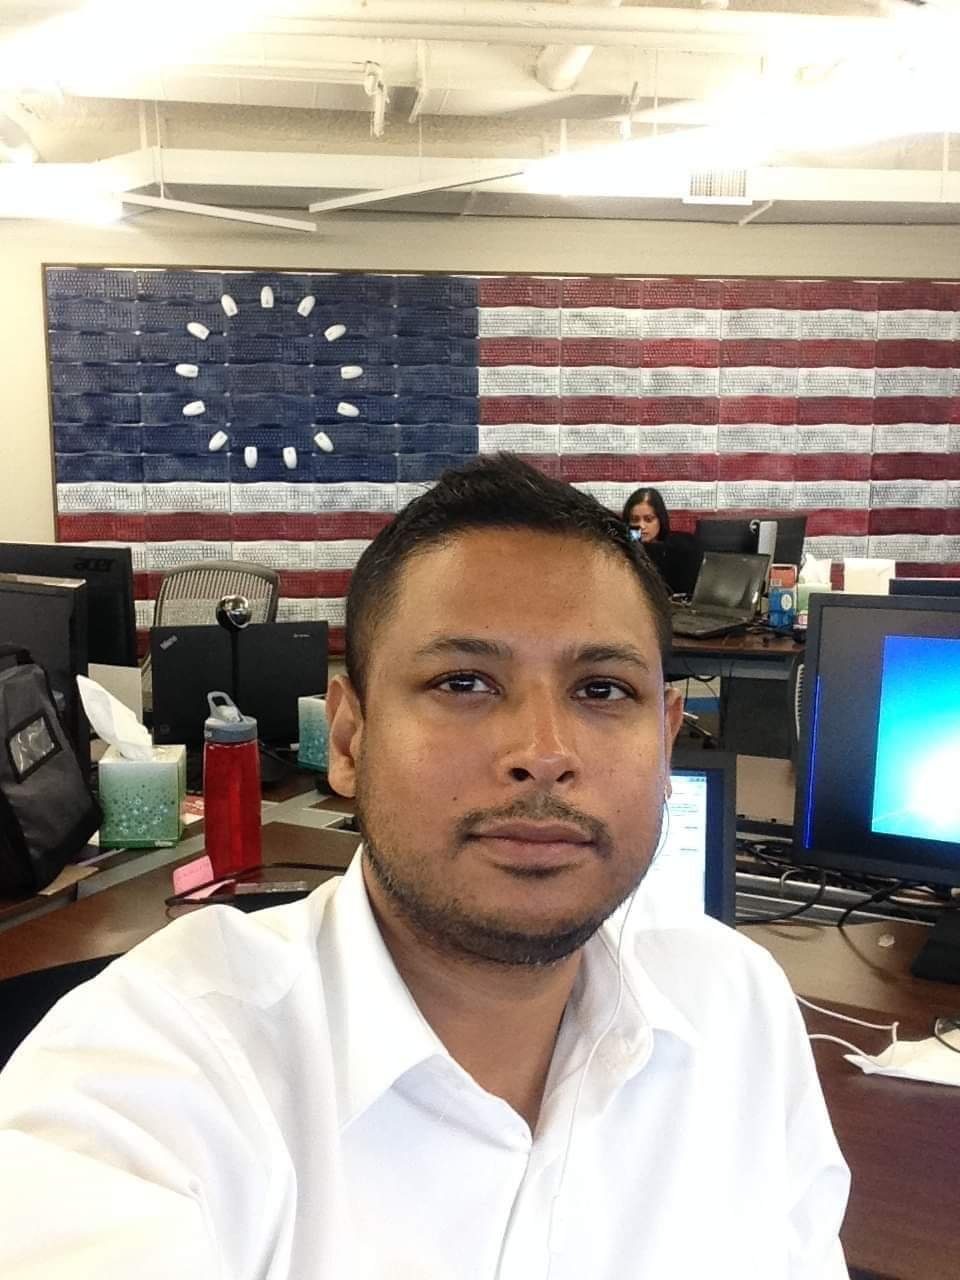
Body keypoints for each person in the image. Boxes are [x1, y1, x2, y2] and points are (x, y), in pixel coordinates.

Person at [0, 455, 849, 1279]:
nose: (543, 753)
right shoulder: (151, 1079)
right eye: (464, 682)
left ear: (665, 742)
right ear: (348, 739)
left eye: (602, 690)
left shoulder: (737, 1009)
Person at [622, 485, 701, 597]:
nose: (641, 526)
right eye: (635, 520)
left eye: (648, 519)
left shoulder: (680, 549)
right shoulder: (621, 550)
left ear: (660, 520)